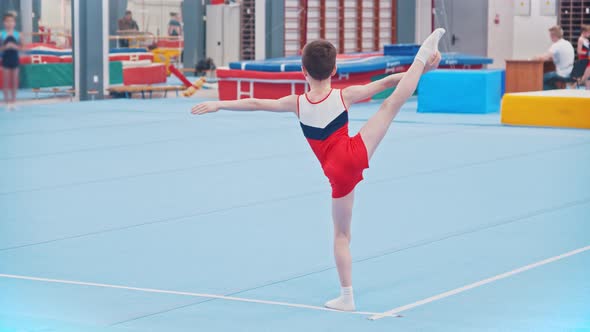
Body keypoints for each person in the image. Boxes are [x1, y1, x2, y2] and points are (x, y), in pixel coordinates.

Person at [191, 29, 446, 311]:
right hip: (356, 152)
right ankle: (422, 55)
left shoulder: (296, 104)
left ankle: (347, 297)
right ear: (335, 69)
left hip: (337, 176)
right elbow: (386, 82)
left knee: (341, 236)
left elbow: (255, 103)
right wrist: (420, 68)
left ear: (303, 71)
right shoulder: (345, 94)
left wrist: (218, 104)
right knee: (391, 104)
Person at [533, 25, 575, 90]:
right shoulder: (568, 43)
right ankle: (557, 91)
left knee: (541, 79)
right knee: (549, 78)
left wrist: (535, 57)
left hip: (562, 73)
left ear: (553, 36)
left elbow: (544, 58)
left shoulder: (556, 45)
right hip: (571, 72)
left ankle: (551, 95)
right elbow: (559, 56)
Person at [1, 13, 21, 111]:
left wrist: (15, 47)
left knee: (14, 81)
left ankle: (13, 101)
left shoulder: (18, 34)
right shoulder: (1, 34)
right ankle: (7, 102)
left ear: (14, 23)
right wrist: (5, 47)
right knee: (6, 81)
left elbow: (23, 48)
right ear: (4, 23)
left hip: (15, 59)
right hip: (5, 59)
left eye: (11, 21)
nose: (9, 23)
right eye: (7, 21)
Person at [577, 24, 590, 89]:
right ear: (584, 32)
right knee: (584, 77)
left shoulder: (586, 40)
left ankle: (587, 91)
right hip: (584, 60)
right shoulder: (581, 39)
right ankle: (573, 87)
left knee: (587, 77)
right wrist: (587, 53)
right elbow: (579, 51)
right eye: (589, 32)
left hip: (588, 60)